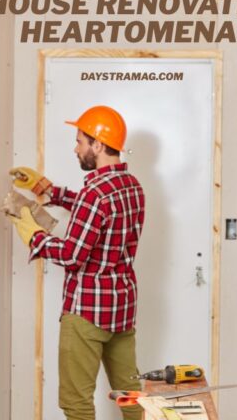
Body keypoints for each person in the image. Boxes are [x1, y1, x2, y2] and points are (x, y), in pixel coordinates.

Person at [9, 105, 145, 420]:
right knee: (131, 397)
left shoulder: (95, 194)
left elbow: (73, 254)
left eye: (80, 141)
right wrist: (45, 189)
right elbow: (93, 212)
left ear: (98, 145)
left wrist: (34, 235)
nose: (76, 148)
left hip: (86, 313)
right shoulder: (132, 187)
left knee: (77, 405)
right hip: (121, 310)